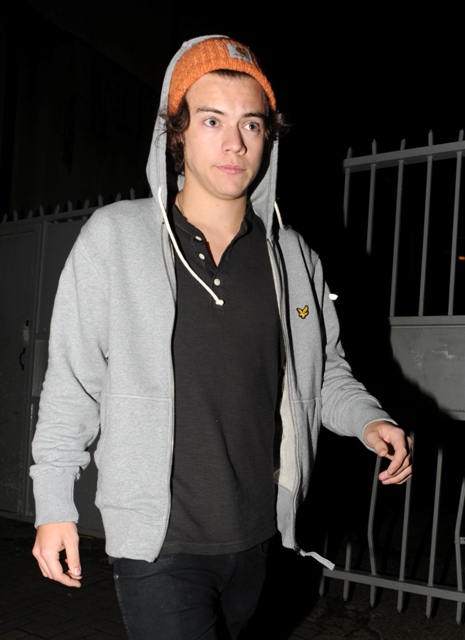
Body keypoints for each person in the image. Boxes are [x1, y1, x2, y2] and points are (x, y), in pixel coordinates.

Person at [30, 35, 412, 639]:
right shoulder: (115, 238)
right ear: (177, 133)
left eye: (251, 124)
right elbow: (72, 383)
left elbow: (322, 371)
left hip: (260, 534)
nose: (235, 143)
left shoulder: (294, 259)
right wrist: (54, 505)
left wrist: (370, 420)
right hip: (159, 545)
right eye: (212, 120)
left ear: (268, 137)